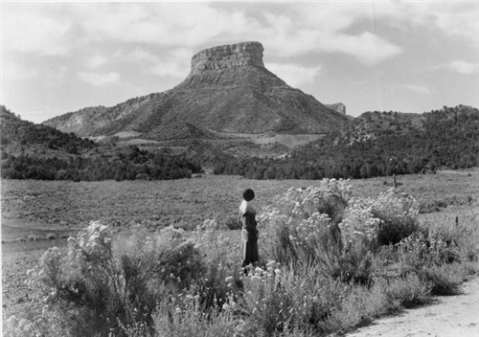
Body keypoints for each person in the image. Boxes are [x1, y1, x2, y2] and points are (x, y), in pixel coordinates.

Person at [239, 188, 259, 272]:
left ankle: (245, 271)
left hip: (244, 231)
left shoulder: (242, 205)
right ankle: (248, 272)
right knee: (249, 253)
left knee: (245, 252)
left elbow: (240, 221)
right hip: (249, 232)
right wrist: (255, 230)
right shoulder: (247, 206)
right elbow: (247, 223)